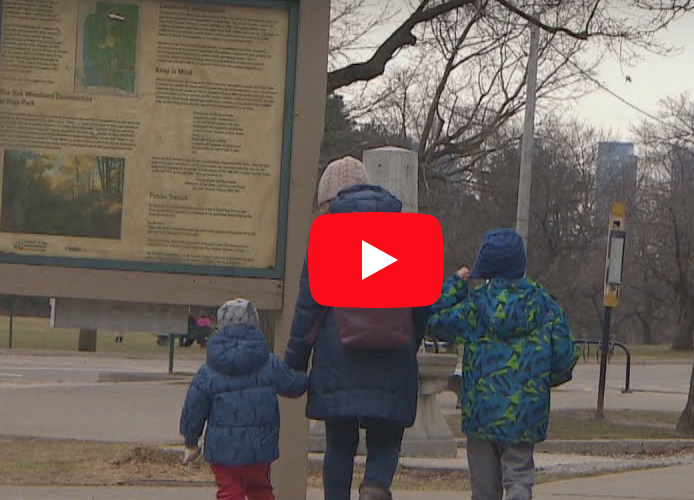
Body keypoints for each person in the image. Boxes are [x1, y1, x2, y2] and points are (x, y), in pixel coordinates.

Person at [284, 156, 428, 500]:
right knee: (387, 436)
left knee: (339, 443)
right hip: (393, 352)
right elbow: (423, 303)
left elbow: (308, 309)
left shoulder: (326, 237)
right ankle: (375, 485)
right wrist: (409, 342)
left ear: (328, 202)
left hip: (338, 355)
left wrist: (294, 362)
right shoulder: (407, 233)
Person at [426, 228, 579, 500]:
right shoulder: (544, 305)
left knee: (484, 489)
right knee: (519, 477)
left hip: (481, 410)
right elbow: (565, 357)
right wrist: (539, 383)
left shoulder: (476, 306)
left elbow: (431, 318)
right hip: (525, 413)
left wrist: (456, 284)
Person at [180, 298, 308, 500]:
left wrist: (191, 441)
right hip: (259, 446)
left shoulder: (208, 371)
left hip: (222, 447)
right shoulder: (269, 364)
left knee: (229, 489)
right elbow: (293, 385)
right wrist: (310, 377)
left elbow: (194, 408)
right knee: (260, 487)